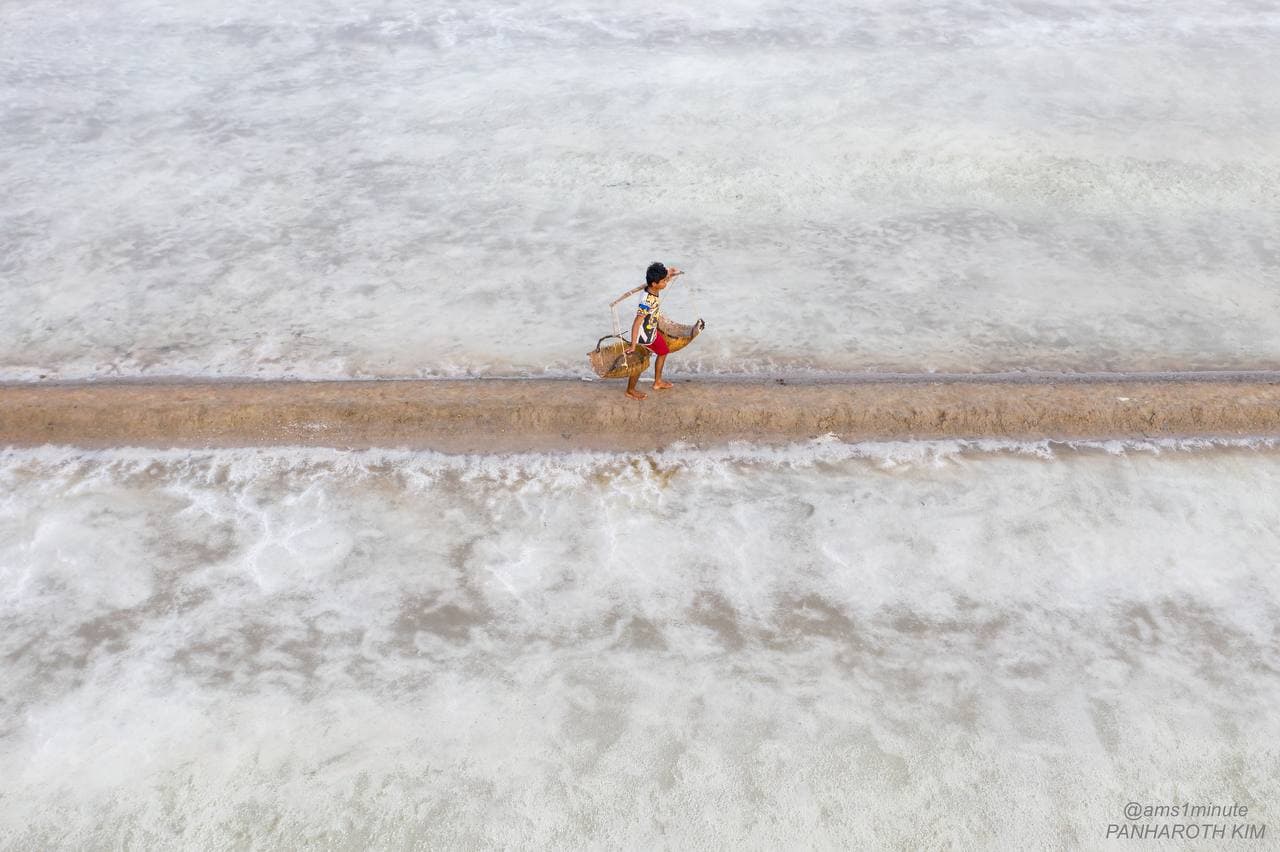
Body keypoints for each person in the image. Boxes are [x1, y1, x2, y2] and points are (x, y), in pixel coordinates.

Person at [624, 261, 683, 401]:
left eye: (665, 280)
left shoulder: (653, 287)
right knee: (640, 364)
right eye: (663, 281)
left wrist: (670, 273)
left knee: (663, 352)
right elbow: (636, 323)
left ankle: (657, 382)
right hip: (643, 336)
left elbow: (663, 279)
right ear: (654, 284)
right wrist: (633, 345)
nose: (665, 283)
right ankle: (630, 390)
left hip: (652, 332)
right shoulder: (646, 301)